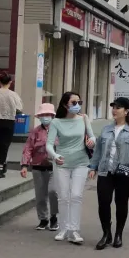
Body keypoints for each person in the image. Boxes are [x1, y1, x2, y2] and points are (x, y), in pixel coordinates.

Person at [88, 97, 129, 250]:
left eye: (118, 107)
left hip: (125, 172)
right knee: (103, 202)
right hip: (105, 170)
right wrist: (93, 167)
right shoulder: (106, 129)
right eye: (113, 107)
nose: (114, 110)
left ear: (126, 111)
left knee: (121, 203)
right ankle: (106, 233)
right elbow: (98, 150)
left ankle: (118, 234)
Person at [46, 91, 97, 244]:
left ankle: (74, 230)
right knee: (63, 196)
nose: (77, 105)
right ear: (64, 105)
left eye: (79, 102)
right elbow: (49, 144)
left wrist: (92, 141)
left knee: (76, 195)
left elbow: (92, 136)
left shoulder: (84, 118)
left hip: (81, 162)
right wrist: (55, 156)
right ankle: (63, 228)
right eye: (74, 103)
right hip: (62, 163)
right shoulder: (56, 122)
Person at [20, 103, 60, 231]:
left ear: (52, 116)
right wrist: (24, 165)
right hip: (38, 167)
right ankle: (43, 219)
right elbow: (28, 148)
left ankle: (54, 217)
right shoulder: (35, 131)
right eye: (43, 115)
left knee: (53, 192)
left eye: (47, 114)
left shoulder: (58, 130)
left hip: (54, 167)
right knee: (40, 195)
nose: (45, 117)